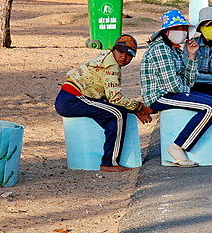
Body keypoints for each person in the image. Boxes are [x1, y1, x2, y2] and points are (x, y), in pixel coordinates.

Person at [55, 34, 152, 172]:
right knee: (118, 114)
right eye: (121, 52)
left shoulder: (105, 57)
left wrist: (134, 110)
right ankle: (109, 163)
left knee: (116, 113)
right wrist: (140, 107)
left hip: (70, 98)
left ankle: (109, 158)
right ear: (114, 50)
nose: (124, 57)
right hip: (74, 98)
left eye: (129, 55)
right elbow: (114, 98)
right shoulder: (112, 65)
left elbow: (109, 97)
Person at [140, 10, 212, 167]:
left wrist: (192, 56)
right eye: (177, 29)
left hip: (173, 92)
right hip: (160, 96)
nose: (182, 32)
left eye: (184, 29)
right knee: (210, 108)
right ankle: (178, 146)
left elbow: (189, 80)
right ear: (166, 31)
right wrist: (187, 91)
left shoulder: (175, 49)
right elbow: (172, 84)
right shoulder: (160, 49)